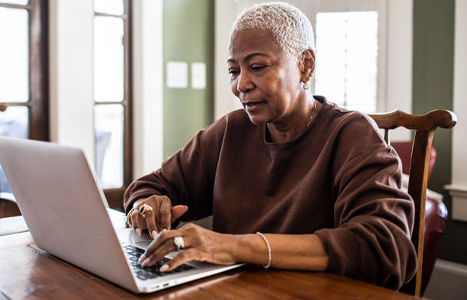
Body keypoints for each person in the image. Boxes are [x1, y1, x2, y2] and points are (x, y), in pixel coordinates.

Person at [123, 2, 417, 290]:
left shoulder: (352, 135)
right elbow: (152, 185)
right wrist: (146, 205)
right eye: (234, 71)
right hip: (236, 291)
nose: (241, 85)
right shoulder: (231, 131)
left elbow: (385, 248)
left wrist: (235, 246)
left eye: (257, 67)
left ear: (305, 66)